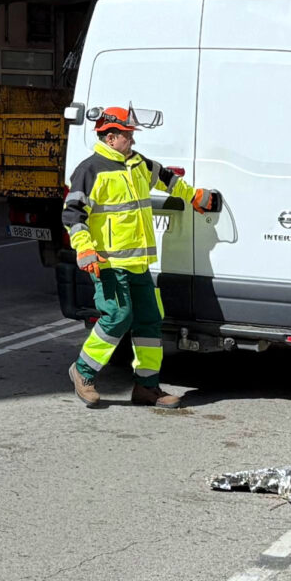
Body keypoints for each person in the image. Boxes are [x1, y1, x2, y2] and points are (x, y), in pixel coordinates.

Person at [61, 106, 222, 408]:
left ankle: (147, 387)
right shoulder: (90, 170)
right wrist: (84, 248)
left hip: (138, 265)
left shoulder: (138, 164)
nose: (132, 140)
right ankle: (82, 372)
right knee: (117, 317)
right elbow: (73, 214)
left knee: (149, 321)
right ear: (111, 137)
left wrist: (193, 196)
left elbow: (168, 179)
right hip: (108, 264)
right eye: (127, 135)